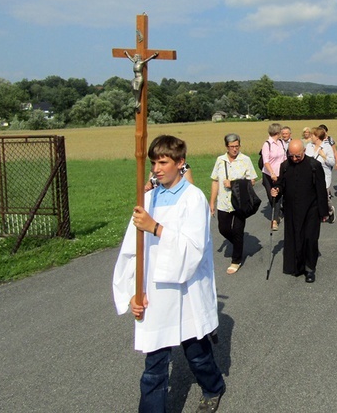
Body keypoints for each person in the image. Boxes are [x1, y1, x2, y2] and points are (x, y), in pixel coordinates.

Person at [113, 135, 225, 413]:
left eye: (163, 162)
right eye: (153, 163)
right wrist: (131, 295)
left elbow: (193, 250)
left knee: (196, 355)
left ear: (180, 163)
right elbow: (130, 253)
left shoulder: (193, 199)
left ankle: (213, 386)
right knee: (154, 369)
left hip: (186, 293)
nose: (156, 169)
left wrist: (156, 227)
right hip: (155, 296)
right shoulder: (147, 199)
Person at [270, 140, 329, 283]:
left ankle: (309, 269)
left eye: (298, 156)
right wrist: (276, 189)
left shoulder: (314, 165)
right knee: (295, 237)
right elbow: (281, 183)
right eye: (292, 156)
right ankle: (296, 266)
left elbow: (321, 191)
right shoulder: (285, 166)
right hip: (291, 209)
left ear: (304, 151)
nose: (295, 159)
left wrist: (324, 212)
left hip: (311, 209)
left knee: (309, 238)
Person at [209, 133, 257, 275]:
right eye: (232, 147)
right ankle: (238, 243)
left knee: (237, 230)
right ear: (227, 147)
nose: (235, 149)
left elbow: (252, 181)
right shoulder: (220, 160)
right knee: (223, 229)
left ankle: (236, 260)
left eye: (237, 146)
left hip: (240, 202)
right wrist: (212, 201)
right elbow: (215, 181)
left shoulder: (245, 160)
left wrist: (234, 183)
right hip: (223, 202)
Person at [305, 127, 336, 223]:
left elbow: (332, 163)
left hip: (324, 176)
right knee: (312, 197)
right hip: (310, 177)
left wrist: (324, 156)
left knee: (324, 197)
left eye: (312, 135)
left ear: (317, 137)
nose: (311, 137)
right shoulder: (309, 146)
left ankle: (330, 210)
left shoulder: (327, 147)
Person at [261, 123, 287, 231]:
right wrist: (271, 173)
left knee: (277, 196)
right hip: (268, 175)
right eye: (280, 131)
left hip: (279, 174)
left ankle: (274, 220)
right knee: (271, 197)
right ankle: (277, 213)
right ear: (277, 132)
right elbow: (266, 161)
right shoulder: (267, 144)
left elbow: (284, 157)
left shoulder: (281, 143)